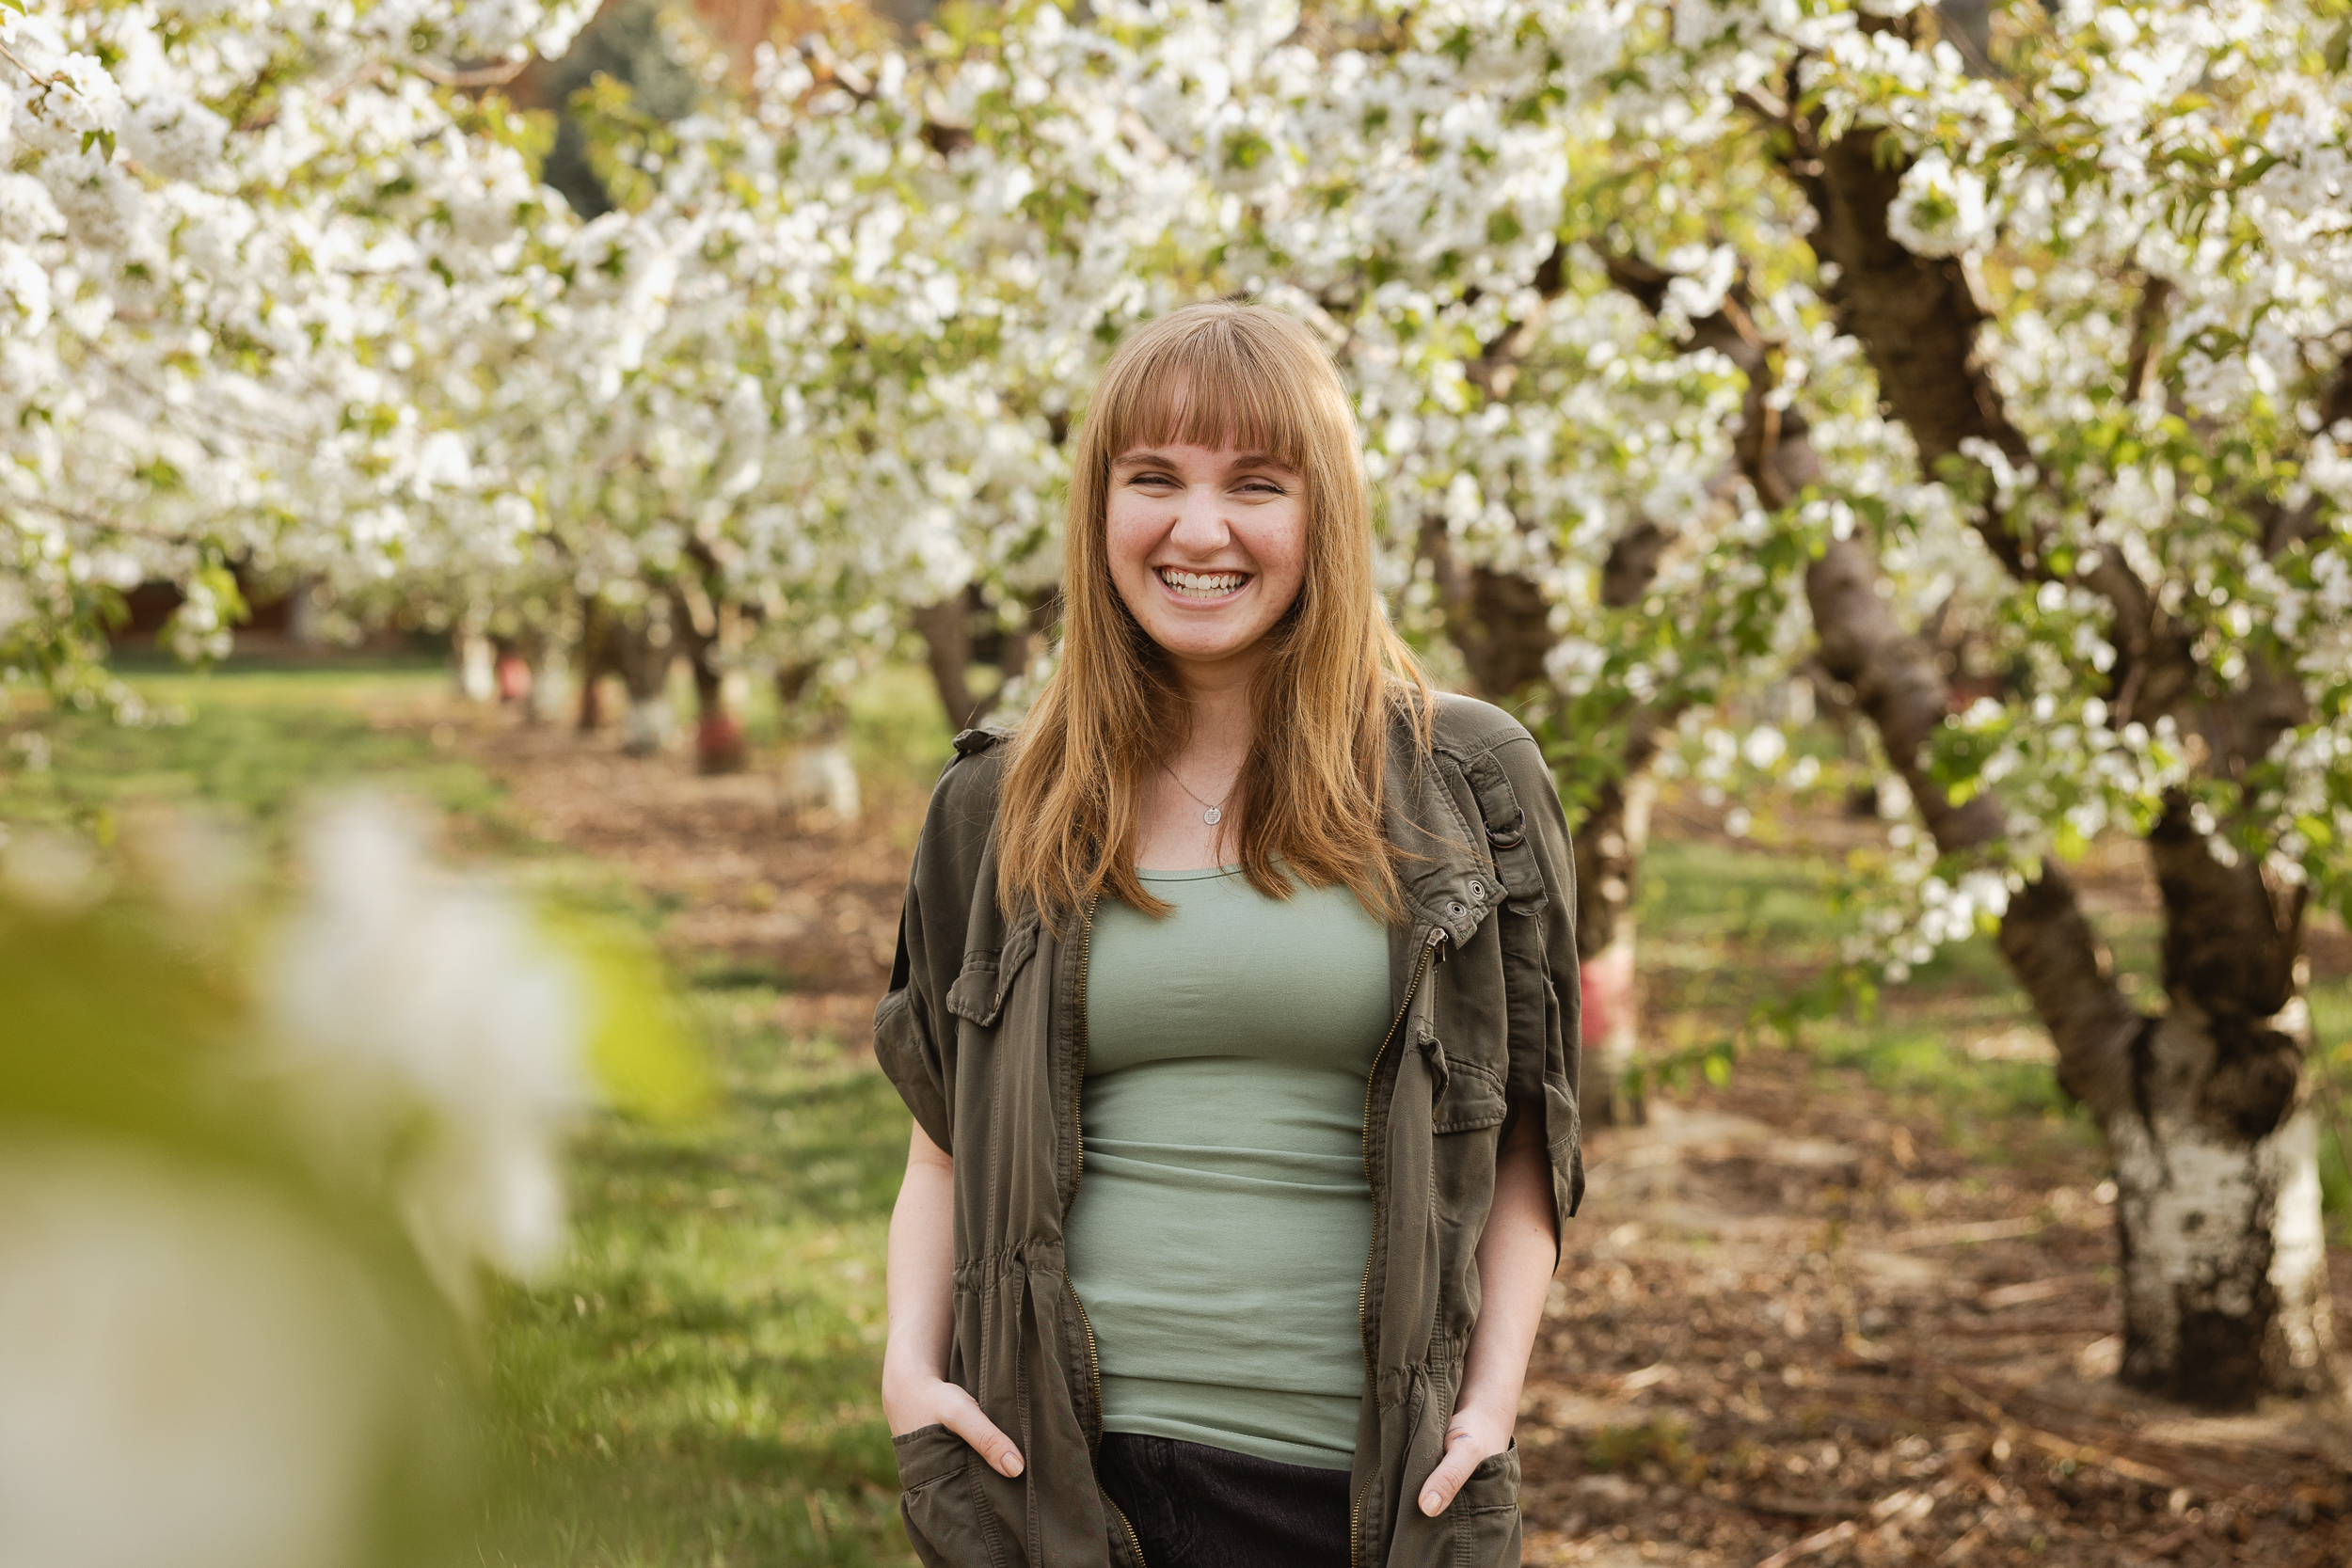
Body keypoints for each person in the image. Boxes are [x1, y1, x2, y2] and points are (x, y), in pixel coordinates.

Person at [874, 300, 1582, 1568]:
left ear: (1327, 518)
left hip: (1370, 1491)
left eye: (1256, 484)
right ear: (1101, 509)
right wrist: (909, 1380)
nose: (1199, 530)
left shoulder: (1469, 781)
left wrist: (1488, 1408)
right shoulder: (995, 804)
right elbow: (941, 1148)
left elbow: (1530, 1140)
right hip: (1055, 1485)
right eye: (1155, 479)